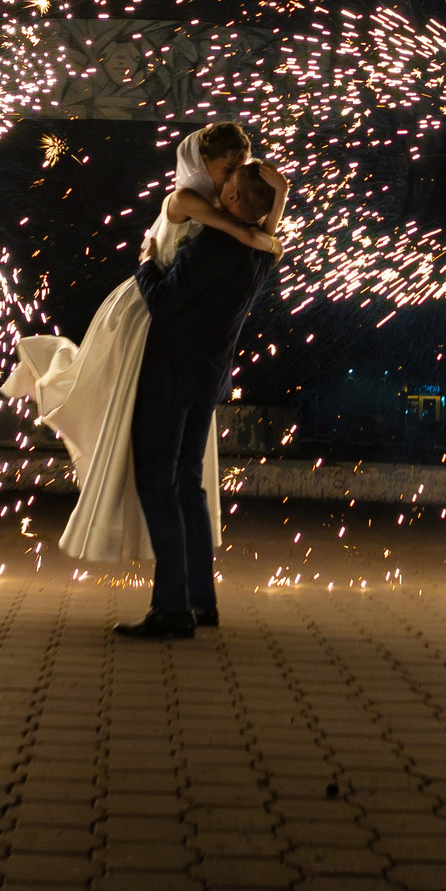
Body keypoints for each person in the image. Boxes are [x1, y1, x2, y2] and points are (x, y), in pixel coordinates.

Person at [0, 123, 282, 570]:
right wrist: (264, 232)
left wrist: (268, 216)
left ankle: (172, 588)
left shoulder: (215, 214)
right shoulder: (185, 200)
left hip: (166, 322)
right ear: (201, 163)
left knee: (161, 465)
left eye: (238, 170)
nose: (233, 177)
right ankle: (186, 589)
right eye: (228, 167)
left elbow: (245, 225)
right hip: (141, 317)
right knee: (128, 426)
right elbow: (246, 229)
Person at [114, 156, 287, 640]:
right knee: (189, 484)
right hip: (206, 383)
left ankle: (172, 608)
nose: (217, 190)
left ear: (231, 199)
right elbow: (267, 225)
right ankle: (199, 600)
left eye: (226, 184)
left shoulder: (210, 247)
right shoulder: (262, 251)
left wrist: (147, 261)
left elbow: (164, 302)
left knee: (157, 481)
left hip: (170, 380)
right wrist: (281, 194)